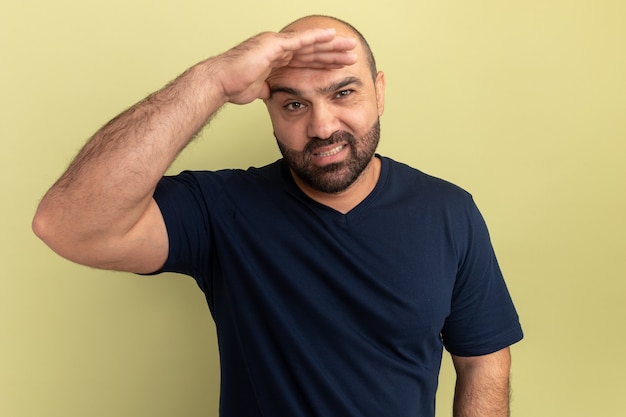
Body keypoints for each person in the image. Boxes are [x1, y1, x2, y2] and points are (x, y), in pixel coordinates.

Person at [33, 14, 523, 417]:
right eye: (294, 104)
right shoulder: (221, 208)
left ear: (379, 90)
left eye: (343, 93)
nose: (322, 125)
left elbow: (483, 363)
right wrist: (215, 79)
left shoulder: (449, 211)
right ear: (268, 109)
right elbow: (67, 224)